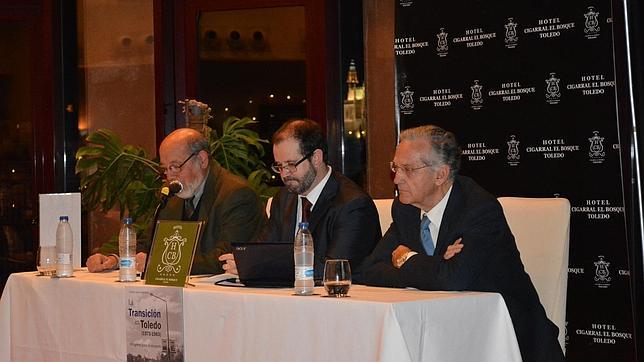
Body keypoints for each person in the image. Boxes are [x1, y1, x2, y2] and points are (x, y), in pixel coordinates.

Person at [360, 125, 564, 362]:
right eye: (395, 168)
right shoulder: (406, 209)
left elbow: (452, 279)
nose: (397, 178)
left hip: (508, 343)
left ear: (441, 175)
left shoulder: (478, 209)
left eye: (408, 169)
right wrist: (437, 265)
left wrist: (406, 259)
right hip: (446, 338)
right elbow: (369, 271)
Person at [86, 128, 267, 275]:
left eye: (175, 166)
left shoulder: (237, 195)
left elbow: (223, 258)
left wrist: (157, 264)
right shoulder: (175, 195)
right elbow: (150, 243)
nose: (170, 176)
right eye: (165, 169)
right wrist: (116, 259)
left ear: (202, 159)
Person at [219, 119, 381, 279]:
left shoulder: (353, 205)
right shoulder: (283, 198)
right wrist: (246, 261)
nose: (284, 174)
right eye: (279, 166)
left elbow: (332, 268)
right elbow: (265, 249)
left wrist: (260, 266)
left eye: (291, 164)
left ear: (316, 158)